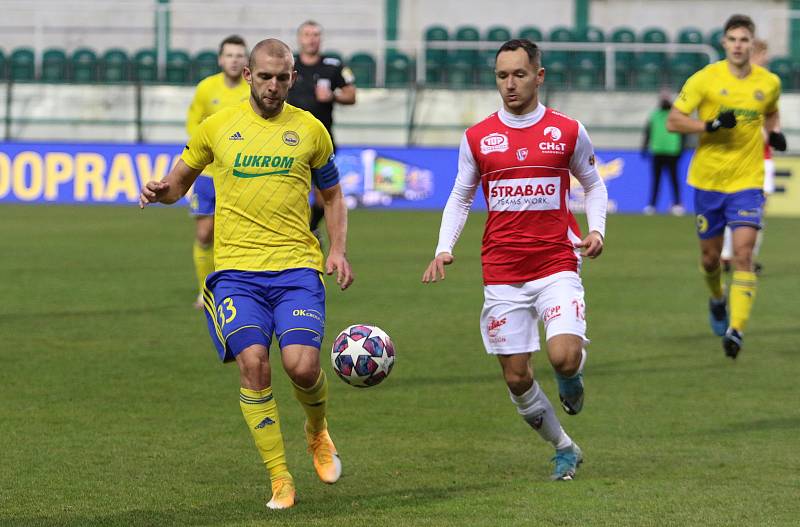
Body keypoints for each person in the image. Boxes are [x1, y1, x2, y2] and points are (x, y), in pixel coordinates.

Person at [140, 38, 354, 510]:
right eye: (265, 76)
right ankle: (280, 477)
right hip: (236, 272)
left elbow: (334, 196)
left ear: (292, 78)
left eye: (282, 77)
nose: (273, 86)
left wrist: (336, 250)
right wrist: (161, 191)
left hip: (297, 267)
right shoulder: (217, 127)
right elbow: (179, 182)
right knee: (253, 365)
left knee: (302, 366)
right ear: (250, 76)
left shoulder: (312, 130)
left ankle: (317, 432)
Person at [422, 39, 608, 481]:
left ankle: (570, 376)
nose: (509, 84)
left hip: (557, 262)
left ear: (538, 76)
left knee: (562, 356)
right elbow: (461, 196)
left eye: (519, 75)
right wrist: (443, 247)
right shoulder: (478, 137)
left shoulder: (567, 131)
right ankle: (564, 447)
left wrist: (597, 228)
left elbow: (594, 184)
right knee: (517, 378)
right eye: (502, 76)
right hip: (502, 271)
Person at [667, 15, 785, 358]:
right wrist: (711, 123)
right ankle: (718, 299)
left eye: (744, 39)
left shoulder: (769, 82)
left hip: (747, 181)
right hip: (708, 181)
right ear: (724, 43)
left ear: (752, 44)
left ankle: (736, 331)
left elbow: (772, 111)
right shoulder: (705, 79)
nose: (738, 45)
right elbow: (674, 120)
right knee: (709, 259)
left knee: (745, 254)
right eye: (732, 39)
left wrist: (774, 133)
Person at [186, 35, 250, 309]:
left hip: (241, 176)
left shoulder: (252, 90)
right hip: (208, 175)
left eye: (239, 55)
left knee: (239, 236)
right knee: (204, 235)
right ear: (221, 59)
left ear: (245, 60)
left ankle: (242, 289)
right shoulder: (205, 88)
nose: (234, 60)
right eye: (230, 55)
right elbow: (193, 126)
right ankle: (206, 290)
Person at [287, 20, 356, 240]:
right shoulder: (289, 66)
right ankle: (292, 235)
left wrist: (334, 96)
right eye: (307, 34)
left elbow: (351, 95)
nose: (311, 38)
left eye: (315, 34)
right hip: (289, 141)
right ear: (299, 38)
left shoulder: (332, 66)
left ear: (320, 38)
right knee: (290, 193)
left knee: (322, 195)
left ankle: (311, 227)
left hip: (322, 141)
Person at [720, 38, 775, 275]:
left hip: (762, 157)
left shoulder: (767, 86)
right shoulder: (745, 88)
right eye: (763, 57)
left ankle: (731, 254)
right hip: (751, 158)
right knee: (750, 208)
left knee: (746, 207)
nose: (765, 62)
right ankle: (740, 256)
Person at [641, 89, 685, 216]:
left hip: (672, 151)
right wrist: (644, 147)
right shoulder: (654, 115)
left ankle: (677, 204)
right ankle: (652, 205)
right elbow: (648, 132)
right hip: (657, 151)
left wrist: (681, 149)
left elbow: (683, 133)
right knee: (656, 180)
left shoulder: (675, 114)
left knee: (674, 179)